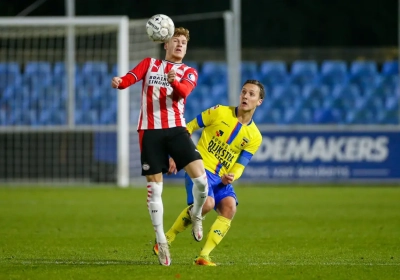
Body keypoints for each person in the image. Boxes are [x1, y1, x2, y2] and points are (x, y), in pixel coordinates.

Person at [111, 27, 208, 267]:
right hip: (149, 132)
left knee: (202, 182)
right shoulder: (150, 64)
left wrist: (175, 82)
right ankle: (161, 239)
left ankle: (196, 214)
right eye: (175, 40)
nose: (179, 45)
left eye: (184, 42)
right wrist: (119, 81)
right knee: (155, 190)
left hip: (176, 130)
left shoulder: (188, 72)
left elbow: (183, 92)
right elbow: (129, 79)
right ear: (165, 44)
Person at [154, 79, 265, 266]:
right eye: (244, 92)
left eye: (251, 94)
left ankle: (203, 256)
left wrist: (232, 176)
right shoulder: (219, 111)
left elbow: (240, 165)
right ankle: (166, 239)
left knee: (230, 207)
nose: (245, 96)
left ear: (259, 101)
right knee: (208, 203)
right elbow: (188, 127)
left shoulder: (255, 136)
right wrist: (176, 154)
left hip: (221, 178)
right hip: (199, 168)